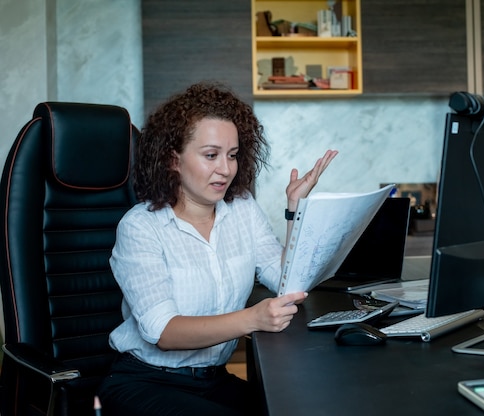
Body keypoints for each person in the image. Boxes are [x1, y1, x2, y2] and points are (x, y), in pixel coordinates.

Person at [97, 81, 338, 415]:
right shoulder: (140, 227)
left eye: (233, 155)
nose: (225, 169)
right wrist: (253, 318)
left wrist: (295, 210)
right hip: (145, 382)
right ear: (173, 160)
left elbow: (285, 278)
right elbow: (163, 332)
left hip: (213, 380)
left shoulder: (242, 208)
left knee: (302, 406)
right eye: (211, 155)